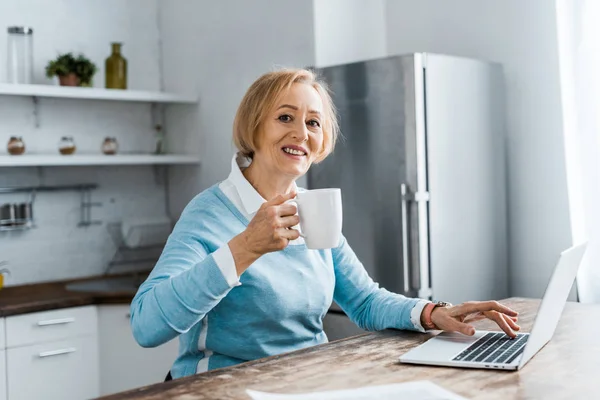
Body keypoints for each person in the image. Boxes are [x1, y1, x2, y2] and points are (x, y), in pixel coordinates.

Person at [130, 68, 520, 380]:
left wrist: (435, 312)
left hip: (306, 381)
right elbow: (147, 326)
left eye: (313, 123)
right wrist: (245, 247)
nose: (301, 132)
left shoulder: (311, 208)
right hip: (225, 387)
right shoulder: (210, 213)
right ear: (254, 126)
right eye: (285, 117)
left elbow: (365, 301)